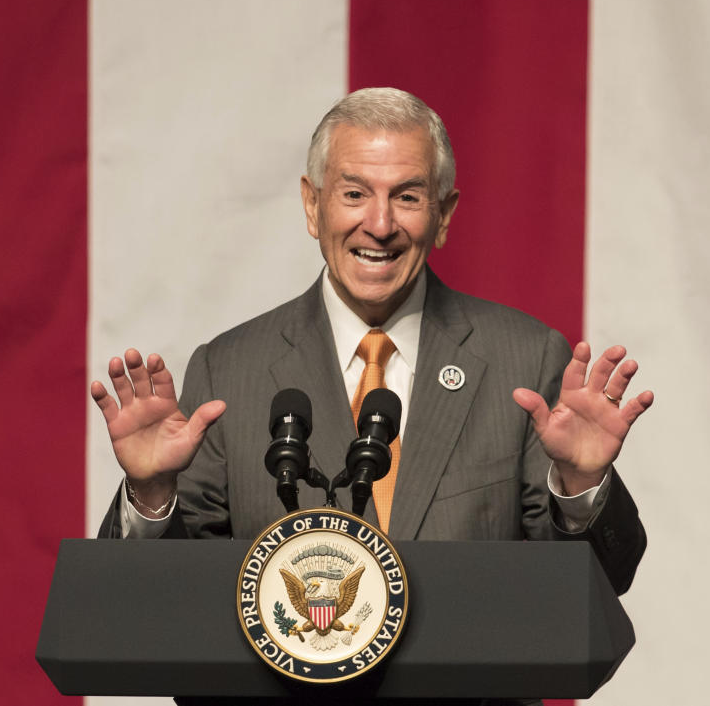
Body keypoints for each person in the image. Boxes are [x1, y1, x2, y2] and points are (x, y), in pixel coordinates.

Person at [91, 88, 652, 594]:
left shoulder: (524, 360)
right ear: (313, 206)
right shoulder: (229, 371)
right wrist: (151, 495)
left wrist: (581, 485)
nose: (380, 225)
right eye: (354, 194)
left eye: (407, 197)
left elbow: (596, 589)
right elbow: (157, 604)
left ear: (444, 216)